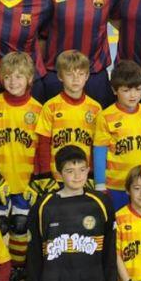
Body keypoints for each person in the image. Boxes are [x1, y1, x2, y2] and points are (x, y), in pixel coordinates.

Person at [24, 145, 116, 281]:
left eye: (82, 170)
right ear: (59, 173)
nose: (77, 176)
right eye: (70, 171)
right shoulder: (44, 206)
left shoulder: (101, 203)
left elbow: (109, 255)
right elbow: (34, 259)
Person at [0, 51, 42, 281]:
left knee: (21, 225)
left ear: (29, 79)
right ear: (0, 78)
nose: (13, 81)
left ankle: (17, 271)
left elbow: (40, 146)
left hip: (23, 180)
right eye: (8, 77)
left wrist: (37, 178)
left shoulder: (36, 109)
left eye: (19, 76)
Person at [29, 50, 102, 201]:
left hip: (83, 176)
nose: (76, 79)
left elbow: (98, 146)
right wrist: (45, 174)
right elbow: (43, 143)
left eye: (80, 74)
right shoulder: (51, 107)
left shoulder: (95, 108)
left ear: (87, 76)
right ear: (60, 76)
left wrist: (93, 173)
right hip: (57, 176)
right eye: (69, 74)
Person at [93, 60, 141, 211]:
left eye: (137, 89)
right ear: (114, 90)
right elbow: (100, 152)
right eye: (126, 90)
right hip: (115, 185)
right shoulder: (105, 116)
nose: (133, 95)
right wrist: (99, 184)